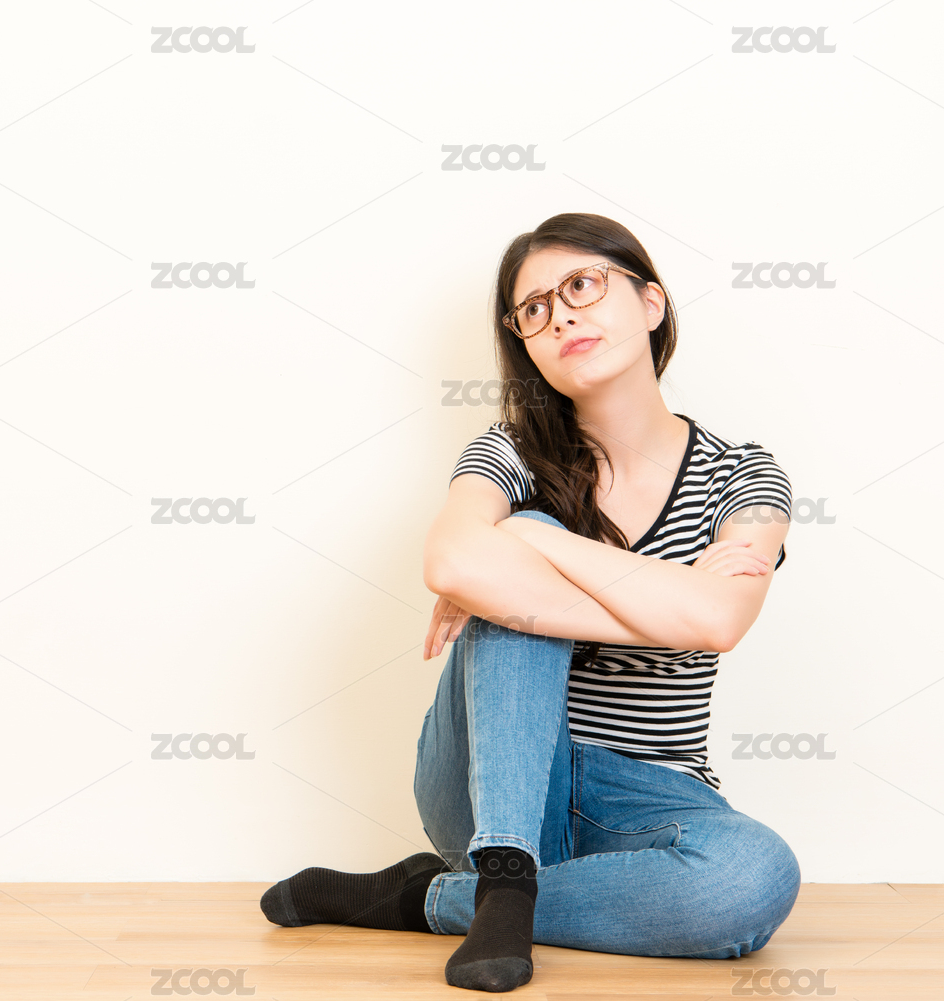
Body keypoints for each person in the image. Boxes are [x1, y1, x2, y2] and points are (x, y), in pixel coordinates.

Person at [259, 213, 801, 993]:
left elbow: (719, 620)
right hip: (494, 777)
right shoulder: (507, 452)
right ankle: (505, 872)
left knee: (754, 878)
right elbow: (449, 559)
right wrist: (665, 603)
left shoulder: (743, 476)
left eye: (582, 285)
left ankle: (431, 897)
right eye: (535, 309)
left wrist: (526, 541)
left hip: (649, 794)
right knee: (526, 543)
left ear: (651, 302)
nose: (562, 316)